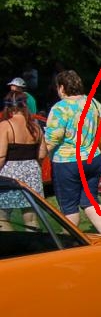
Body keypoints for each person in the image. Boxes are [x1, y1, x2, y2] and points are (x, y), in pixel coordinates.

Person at [44, 70, 101, 235]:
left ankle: (70, 241)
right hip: (93, 159)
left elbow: (53, 137)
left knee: (69, 206)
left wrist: (40, 153)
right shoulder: (92, 102)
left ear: (62, 88)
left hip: (67, 162)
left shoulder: (60, 108)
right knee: (91, 200)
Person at [0, 92, 47, 229]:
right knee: (31, 219)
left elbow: (1, 155)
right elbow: (42, 153)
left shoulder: (5, 126)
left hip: (10, 176)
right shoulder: (35, 127)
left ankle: (11, 243)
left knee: (2, 218)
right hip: (32, 173)